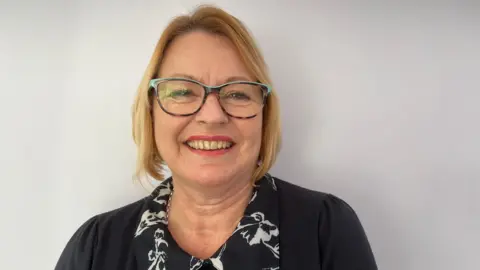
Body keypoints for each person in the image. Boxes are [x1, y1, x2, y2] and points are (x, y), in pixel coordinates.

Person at [55, 4, 377, 270]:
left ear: (265, 116)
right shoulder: (95, 249)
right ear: (150, 111)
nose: (212, 116)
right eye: (182, 91)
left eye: (238, 94)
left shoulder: (325, 230)